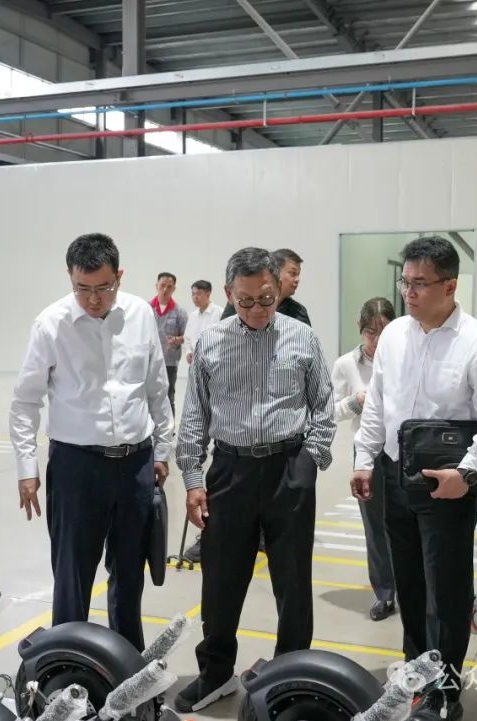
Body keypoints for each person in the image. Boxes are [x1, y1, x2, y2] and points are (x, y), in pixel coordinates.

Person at [351, 236, 477, 721]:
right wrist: (364, 458)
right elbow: (378, 402)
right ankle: (415, 671)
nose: (409, 292)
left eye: (420, 283)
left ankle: (444, 690)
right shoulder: (394, 336)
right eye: (405, 281)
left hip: (448, 484)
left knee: (445, 590)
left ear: (450, 285)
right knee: (409, 582)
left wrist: (466, 473)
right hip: (394, 475)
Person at [174, 247, 335, 713]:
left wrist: (310, 461)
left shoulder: (302, 337)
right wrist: (193, 478)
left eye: (266, 299)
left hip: (289, 467)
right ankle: (216, 673)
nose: (257, 310)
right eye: (245, 301)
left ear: (278, 289)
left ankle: (290, 674)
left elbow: (323, 405)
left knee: (293, 580)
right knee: (221, 579)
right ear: (229, 294)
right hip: (230, 471)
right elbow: (194, 416)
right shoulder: (211, 343)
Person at [9, 232, 174, 652]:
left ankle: (128, 663)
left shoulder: (140, 314)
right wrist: (27, 469)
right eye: (82, 288)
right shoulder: (51, 324)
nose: (93, 299)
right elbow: (25, 402)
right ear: (70, 277)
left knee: (130, 575)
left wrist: (163, 449)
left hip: (136, 463)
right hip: (76, 467)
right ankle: (66, 664)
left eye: (104, 287)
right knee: (72, 575)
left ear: (120, 276)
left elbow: (157, 388)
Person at [331, 297, 398, 622]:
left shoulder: (404, 357)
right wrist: (355, 402)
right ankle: (385, 593)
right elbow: (330, 410)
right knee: (375, 524)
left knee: (407, 521)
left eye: (383, 331)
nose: (376, 339)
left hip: (403, 447)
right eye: (371, 332)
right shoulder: (347, 364)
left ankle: (413, 586)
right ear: (361, 330)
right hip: (367, 451)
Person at [219, 248, 310, 325]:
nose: (297, 279)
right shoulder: (238, 302)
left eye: (298, 274)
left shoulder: (298, 312)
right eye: (293, 273)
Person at [152, 272, 190, 416]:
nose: (165, 289)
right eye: (162, 285)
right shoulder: (146, 308)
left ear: (174, 289)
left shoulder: (180, 312)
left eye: (169, 287)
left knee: (168, 396)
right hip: (149, 360)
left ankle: (169, 426)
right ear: (156, 286)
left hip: (169, 361)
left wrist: (176, 339)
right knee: (149, 394)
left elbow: (187, 336)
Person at [183, 280, 222, 366]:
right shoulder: (192, 316)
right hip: (194, 363)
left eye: (199, 294)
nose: (195, 297)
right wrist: (188, 352)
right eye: (193, 294)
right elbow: (187, 339)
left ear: (208, 294)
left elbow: (223, 339)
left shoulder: (219, 313)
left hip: (214, 363)